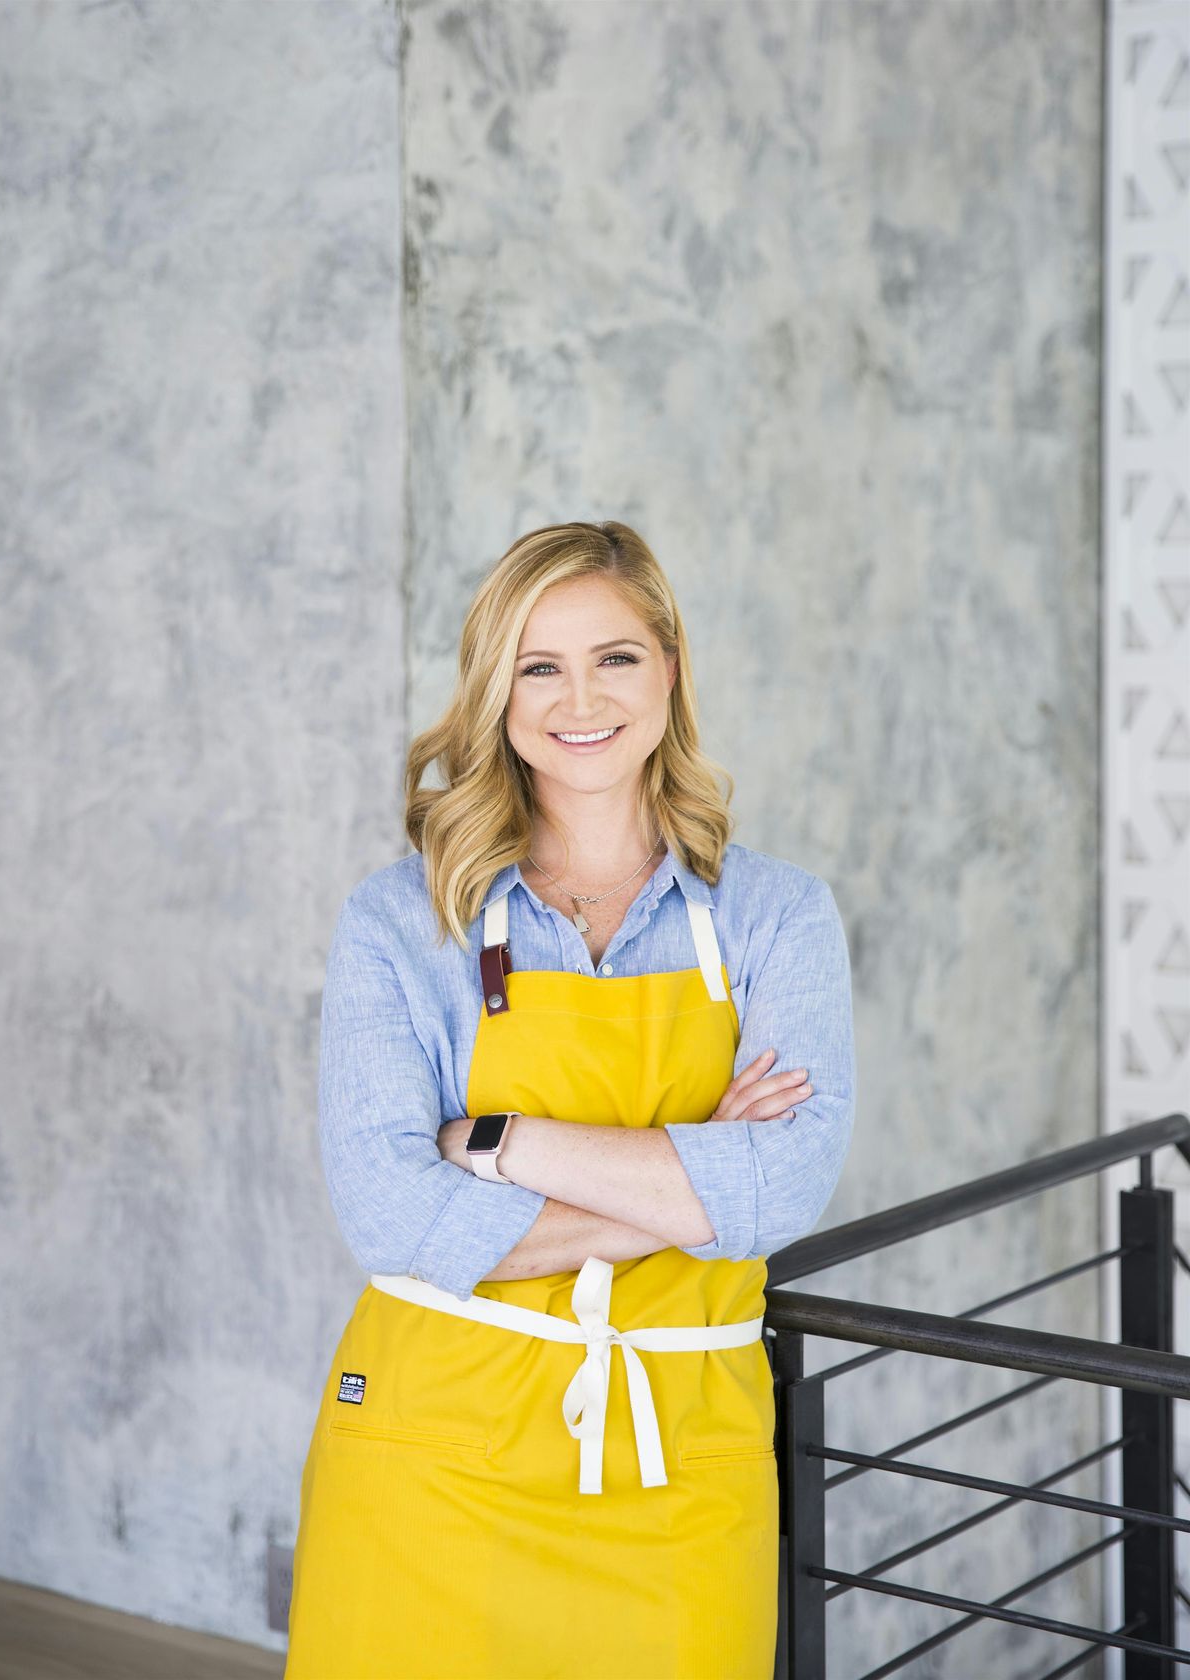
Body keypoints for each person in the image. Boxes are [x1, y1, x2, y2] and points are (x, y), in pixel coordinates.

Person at [283, 519, 856, 1680]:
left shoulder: (775, 916)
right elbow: (397, 1218)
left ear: (671, 668)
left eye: (616, 658)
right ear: (497, 691)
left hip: (682, 1460)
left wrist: (497, 1144)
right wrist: (693, 1180)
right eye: (539, 665)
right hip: (435, 1453)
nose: (577, 698)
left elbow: (782, 1185)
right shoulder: (404, 920)